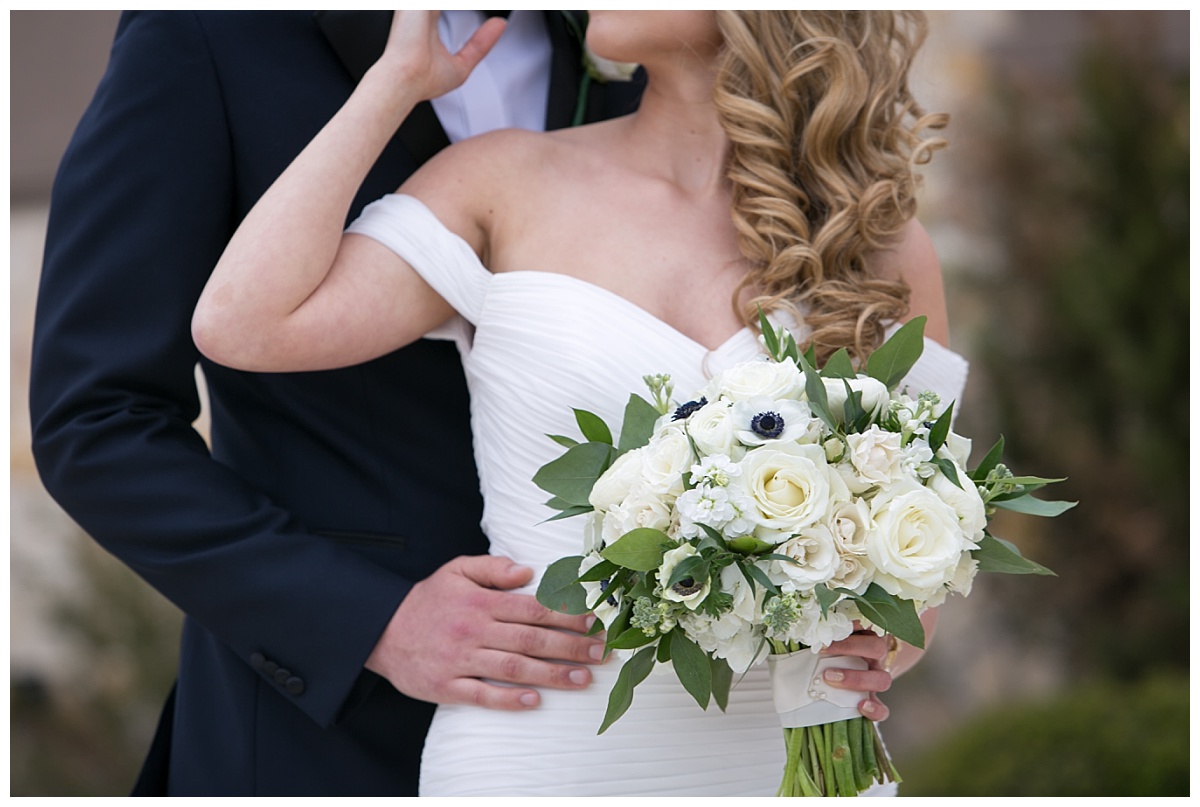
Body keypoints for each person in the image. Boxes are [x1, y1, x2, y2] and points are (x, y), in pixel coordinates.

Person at [193, 10, 965, 797]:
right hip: (537, 750)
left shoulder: (877, 245)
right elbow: (241, 323)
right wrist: (393, 85)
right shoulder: (503, 183)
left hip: (783, 761)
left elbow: (922, 565)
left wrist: (874, 647)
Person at [29, 11, 647, 796]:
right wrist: (371, 620)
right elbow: (96, 419)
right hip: (325, 731)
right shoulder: (208, 32)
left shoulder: (635, 38)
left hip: (606, 711)